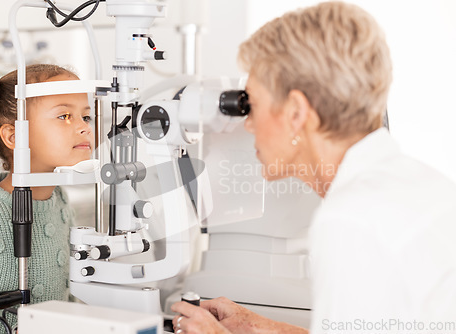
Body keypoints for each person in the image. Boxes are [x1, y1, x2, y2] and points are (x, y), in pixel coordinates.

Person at [171, 2, 456, 334]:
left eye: (254, 104)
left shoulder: (351, 219)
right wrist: (260, 328)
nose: (248, 125)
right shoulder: (421, 184)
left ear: (295, 112)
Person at [0, 64, 94, 333]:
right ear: (14, 136)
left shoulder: (60, 201)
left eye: (86, 117)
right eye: (65, 116)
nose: (83, 128)